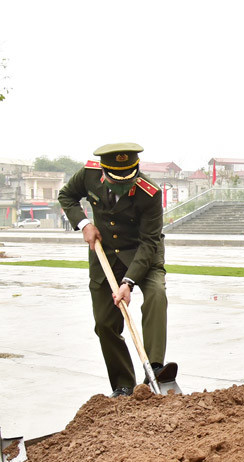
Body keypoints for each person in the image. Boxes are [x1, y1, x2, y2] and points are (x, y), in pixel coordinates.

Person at [58, 143, 170, 397]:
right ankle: (123, 384)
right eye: (116, 180)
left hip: (143, 252)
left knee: (156, 295)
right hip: (105, 254)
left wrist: (128, 282)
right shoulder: (88, 174)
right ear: (105, 173)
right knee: (105, 324)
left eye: (128, 180)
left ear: (136, 171)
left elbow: (149, 241)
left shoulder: (149, 191)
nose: (123, 185)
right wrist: (84, 223)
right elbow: (66, 195)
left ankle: (155, 368)